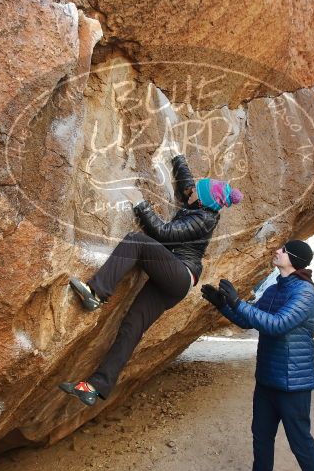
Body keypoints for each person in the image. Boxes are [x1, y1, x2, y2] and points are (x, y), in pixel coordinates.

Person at [59, 154, 243, 406]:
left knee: (137, 241)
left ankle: (96, 293)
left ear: (201, 199)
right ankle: (94, 386)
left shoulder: (203, 219)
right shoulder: (202, 204)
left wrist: (139, 203)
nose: (191, 190)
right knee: (131, 327)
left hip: (179, 274)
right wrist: (178, 157)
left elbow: (163, 233)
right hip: (171, 282)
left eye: (196, 190)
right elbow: (188, 184)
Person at [201, 240, 314, 471]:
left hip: (293, 382)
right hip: (267, 378)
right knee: (261, 436)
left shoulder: (305, 293)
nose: (277, 251)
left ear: (293, 259)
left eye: (283, 250)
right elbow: (251, 321)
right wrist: (223, 306)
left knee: (300, 441)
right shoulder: (275, 288)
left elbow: (276, 325)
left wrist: (238, 301)